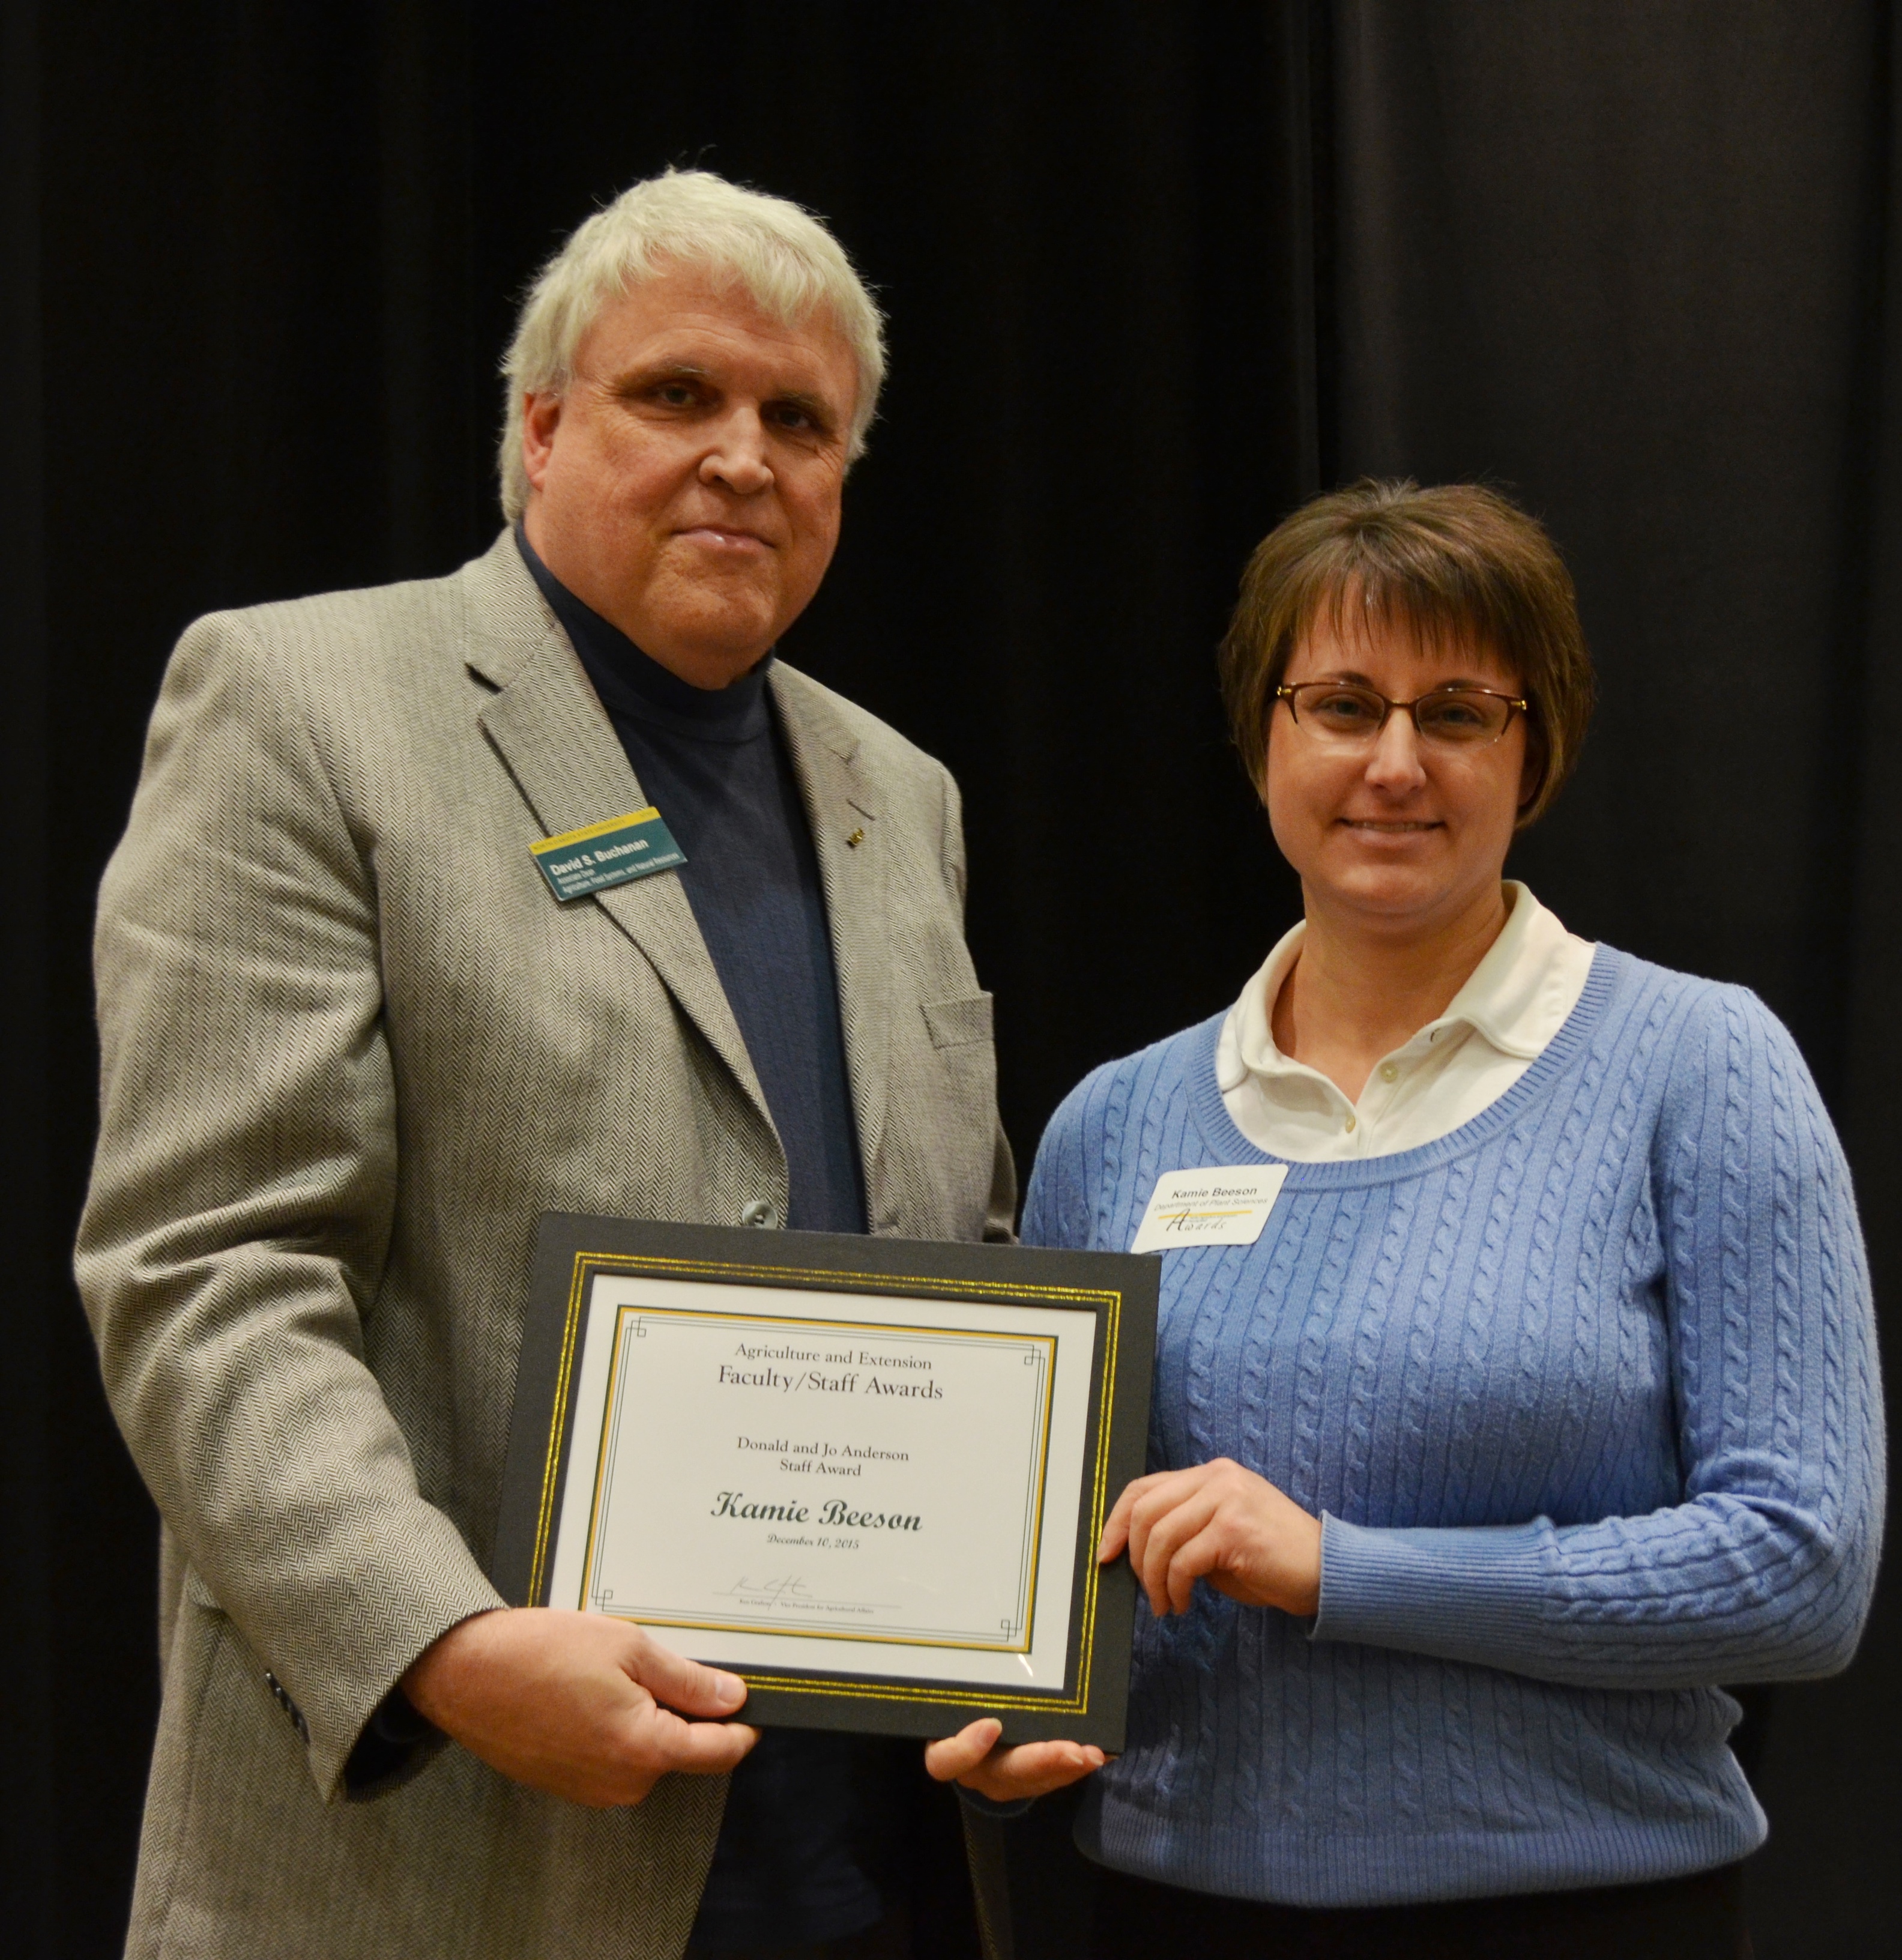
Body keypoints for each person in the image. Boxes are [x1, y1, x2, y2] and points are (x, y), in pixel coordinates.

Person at [76, 168, 1080, 1960]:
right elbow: (208, 1272)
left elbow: (963, 1266)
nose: (744, 456)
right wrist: (443, 1648)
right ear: (540, 428)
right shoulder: (302, 704)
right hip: (461, 1860)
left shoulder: (896, 795)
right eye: (676, 393)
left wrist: (1027, 1642)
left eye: (801, 420)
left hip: (871, 1870)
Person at [1020, 480, 1885, 1958]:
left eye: (1461, 712)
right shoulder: (1117, 1123)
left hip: (1587, 1917)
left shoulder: (1701, 1066)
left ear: (1532, 747)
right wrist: (998, 1723)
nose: (1396, 764)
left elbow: (1799, 1575)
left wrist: (1343, 1568)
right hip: (1171, 1909)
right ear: (1265, 736)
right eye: (1345, 704)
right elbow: (1048, 1571)